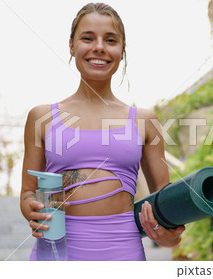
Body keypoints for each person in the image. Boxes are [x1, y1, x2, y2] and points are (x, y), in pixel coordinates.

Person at [20, 2, 185, 261]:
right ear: (72, 47)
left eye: (110, 40)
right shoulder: (41, 117)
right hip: (55, 253)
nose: (99, 47)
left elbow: (164, 198)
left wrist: (169, 233)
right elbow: (28, 191)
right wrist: (31, 207)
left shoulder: (145, 120)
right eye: (87, 38)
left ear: (122, 51)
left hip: (123, 252)